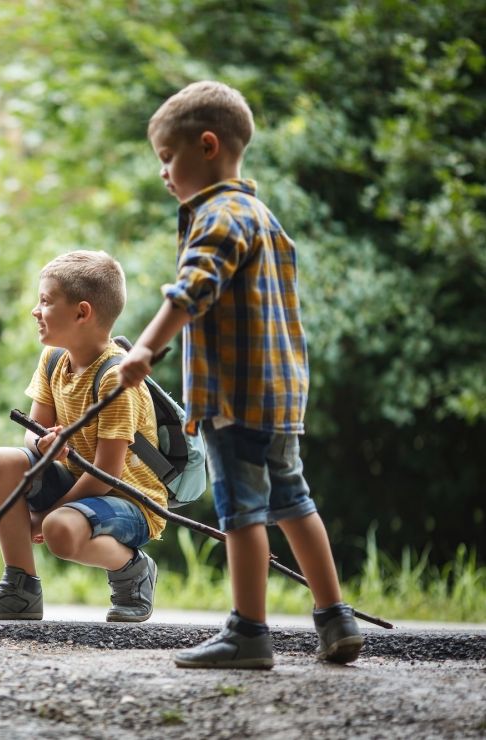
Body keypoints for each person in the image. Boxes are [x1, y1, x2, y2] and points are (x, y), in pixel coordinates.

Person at [118, 80, 363, 668]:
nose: (163, 173)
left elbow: (191, 290)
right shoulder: (263, 216)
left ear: (207, 146)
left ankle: (248, 632)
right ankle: (335, 617)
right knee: (293, 500)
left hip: (235, 399)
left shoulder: (218, 216)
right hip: (279, 397)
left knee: (241, 512)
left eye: (167, 157)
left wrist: (144, 350)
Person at [0, 251, 168, 622]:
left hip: (130, 502)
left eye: (45, 302)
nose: (35, 311)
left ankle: (132, 570)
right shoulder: (54, 359)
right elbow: (32, 435)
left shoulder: (116, 378)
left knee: (59, 530)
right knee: (1, 462)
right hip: (78, 484)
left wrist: (46, 514)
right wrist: (41, 445)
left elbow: (106, 474)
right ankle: (20, 586)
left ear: (82, 312)